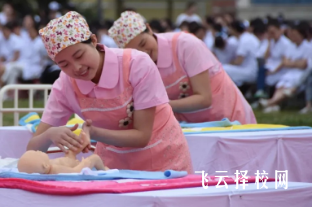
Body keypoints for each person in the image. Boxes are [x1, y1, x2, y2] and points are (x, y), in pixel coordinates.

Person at [26, 11, 192, 172]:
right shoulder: (65, 85)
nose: (76, 68)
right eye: (64, 64)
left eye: (79, 55)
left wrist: (94, 133)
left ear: (93, 40)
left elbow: (142, 136)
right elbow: (32, 150)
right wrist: (49, 135)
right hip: (111, 167)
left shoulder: (136, 64)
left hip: (163, 159)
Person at [108, 11, 256, 124]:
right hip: (193, 128)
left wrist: (158, 105)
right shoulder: (137, 63)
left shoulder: (185, 44)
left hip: (229, 119)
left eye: (142, 43)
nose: (143, 52)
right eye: (136, 51)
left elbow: (204, 98)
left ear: (149, 29)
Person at [259, 24, 312, 113]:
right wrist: (296, 63)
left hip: (301, 73)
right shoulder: (291, 46)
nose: (293, 37)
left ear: (302, 35)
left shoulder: (308, 47)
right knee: (281, 85)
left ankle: (270, 102)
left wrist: (291, 62)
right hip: (290, 72)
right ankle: (274, 104)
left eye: (295, 35)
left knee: (289, 86)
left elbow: (304, 65)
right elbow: (285, 62)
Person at [222, 20, 260, 87]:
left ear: (234, 29)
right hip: (252, 69)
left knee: (223, 69)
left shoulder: (244, 40)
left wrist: (229, 63)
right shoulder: (249, 36)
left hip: (249, 72)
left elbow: (238, 61)